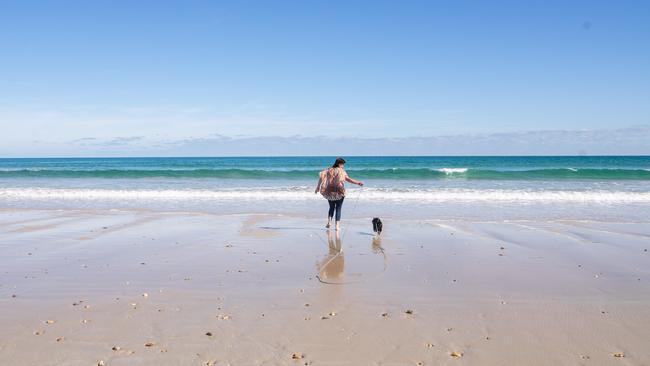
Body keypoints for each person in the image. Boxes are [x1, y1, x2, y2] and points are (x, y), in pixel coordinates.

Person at [315, 157, 364, 231]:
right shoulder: (342, 171)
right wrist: (358, 182)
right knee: (338, 208)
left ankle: (329, 222)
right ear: (339, 164)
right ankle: (337, 226)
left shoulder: (328, 170)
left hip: (329, 191)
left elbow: (321, 178)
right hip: (339, 191)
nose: (343, 166)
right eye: (343, 164)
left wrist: (318, 187)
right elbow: (348, 179)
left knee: (331, 207)